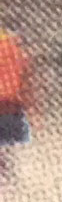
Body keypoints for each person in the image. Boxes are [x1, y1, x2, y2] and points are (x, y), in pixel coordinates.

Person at [0, 15, 29, 183]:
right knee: (10, 138)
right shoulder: (18, 51)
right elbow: (25, 77)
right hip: (12, 98)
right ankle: (8, 170)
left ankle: (4, 169)